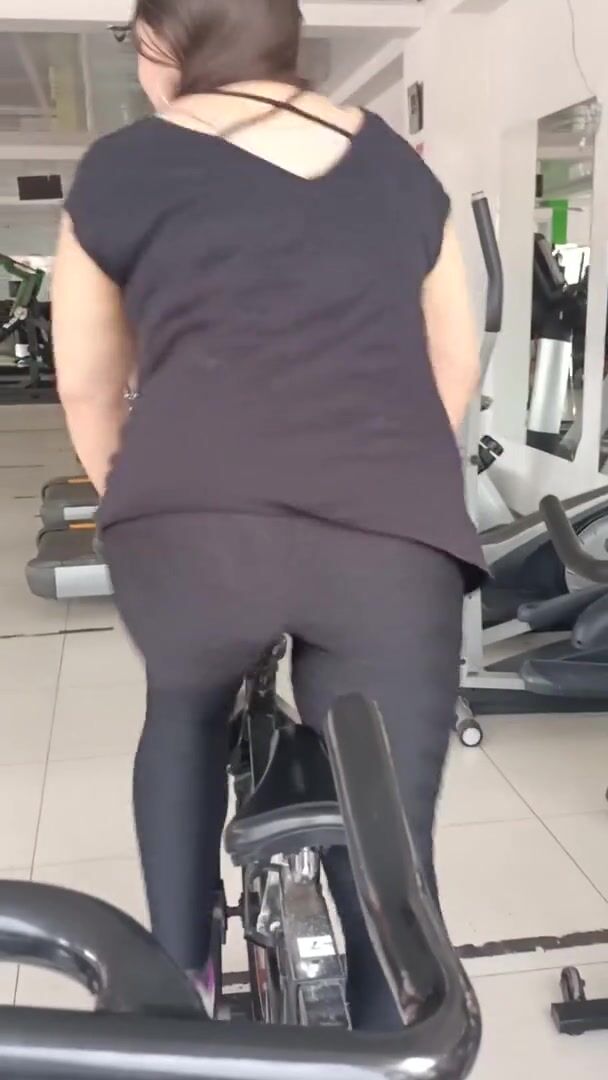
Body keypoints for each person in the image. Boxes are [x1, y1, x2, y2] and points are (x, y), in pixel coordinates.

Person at [52, 0, 484, 1031]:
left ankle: (183, 982)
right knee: (390, 832)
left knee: (184, 710)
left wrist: (140, 499)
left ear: (165, 43)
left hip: (193, 535)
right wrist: (379, 475)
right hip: (388, 546)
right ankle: (392, 1010)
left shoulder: (119, 168)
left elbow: (86, 388)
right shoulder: (400, 171)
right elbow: (455, 363)